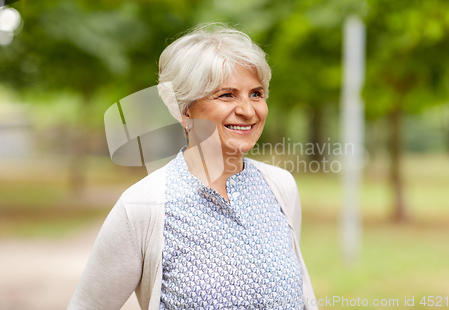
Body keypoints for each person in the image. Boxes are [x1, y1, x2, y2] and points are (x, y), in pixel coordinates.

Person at [68, 23, 318, 310]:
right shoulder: (143, 206)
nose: (248, 111)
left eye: (256, 94)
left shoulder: (280, 187)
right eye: (227, 95)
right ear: (184, 108)